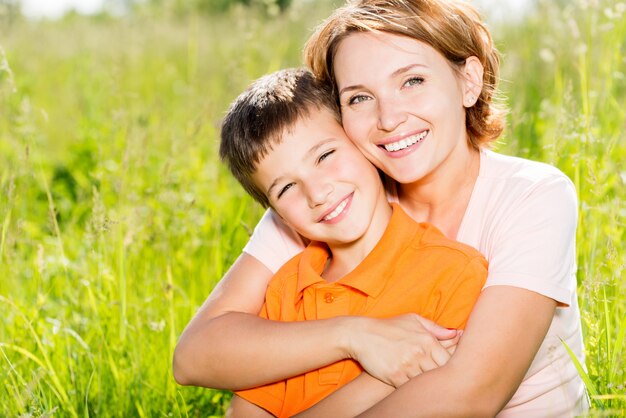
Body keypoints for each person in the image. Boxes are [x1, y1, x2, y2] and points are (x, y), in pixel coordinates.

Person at [173, 0, 587, 416]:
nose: (388, 118)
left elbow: (471, 392)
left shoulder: (533, 196)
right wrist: (353, 335)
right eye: (359, 98)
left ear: (468, 81)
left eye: (412, 81)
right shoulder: (330, 200)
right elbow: (196, 355)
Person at [217, 67, 488, 418]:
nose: (317, 193)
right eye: (286, 189)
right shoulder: (287, 290)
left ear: (363, 145)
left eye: (325, 156)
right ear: (277, 214)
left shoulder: (454, 272)